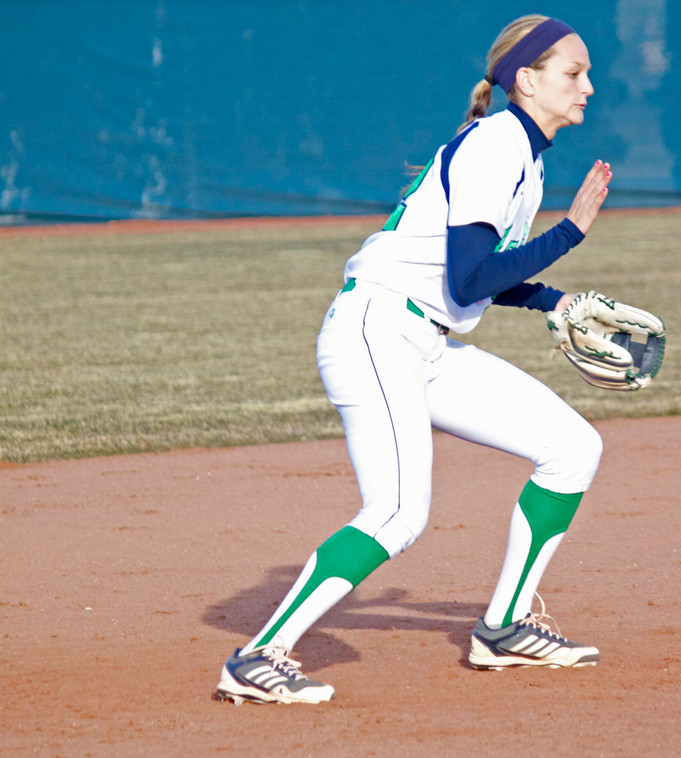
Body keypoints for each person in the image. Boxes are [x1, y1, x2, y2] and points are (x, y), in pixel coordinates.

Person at [216, 14, 613, 705]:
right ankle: (258, 656)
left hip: (423, 342)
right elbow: (465, 279)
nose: (588, 85)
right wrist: (570, 234)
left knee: (571, 448)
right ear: (527, 79)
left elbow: (470, 273)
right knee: (397, 512)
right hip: (377, 331)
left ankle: (504, 628)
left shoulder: (522, 153)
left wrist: (549, 297)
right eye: (572, 72)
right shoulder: (496, 145)